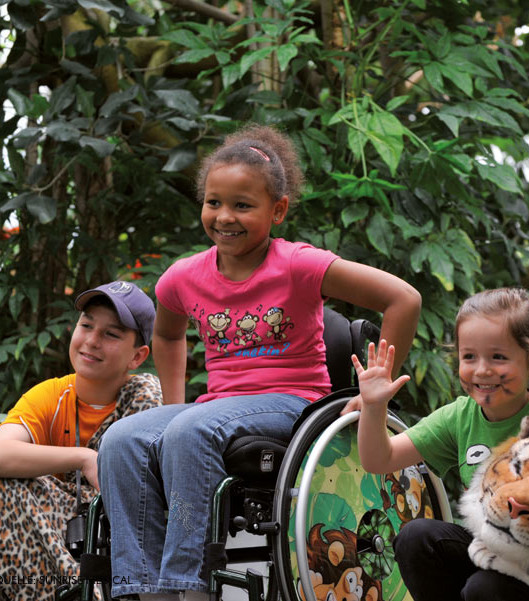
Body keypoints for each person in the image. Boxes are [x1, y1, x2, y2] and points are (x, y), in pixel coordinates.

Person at [97, 124, 422, 601]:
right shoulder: (184, 276)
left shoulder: (299, 264)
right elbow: (167, 333)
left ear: (278, 210)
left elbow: (404, 300)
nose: (224, 216)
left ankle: (188, 588)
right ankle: (139, 589)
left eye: (242, 205)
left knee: (191, 430)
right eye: (213, 202)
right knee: (122, 438)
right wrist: (174, 404)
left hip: (294, 403)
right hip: (218, 406)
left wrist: (372, 391)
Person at [351, 287, 529, 601]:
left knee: (483, 589)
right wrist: (374, 407)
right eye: (469, 356)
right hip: (491, 550)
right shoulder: (460, 416)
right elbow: (379, 459)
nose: (482, 369)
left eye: (498, 356)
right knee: (417, 537)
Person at [0, 280, 163, 601]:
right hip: (54, 531)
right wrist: (84, 458)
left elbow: (142, 494)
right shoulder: (52, 395)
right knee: (9, 484)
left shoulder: (146, 396)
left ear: (138, 355)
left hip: (118, 534)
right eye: (86, 325)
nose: (91, 341)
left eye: (111, 334)